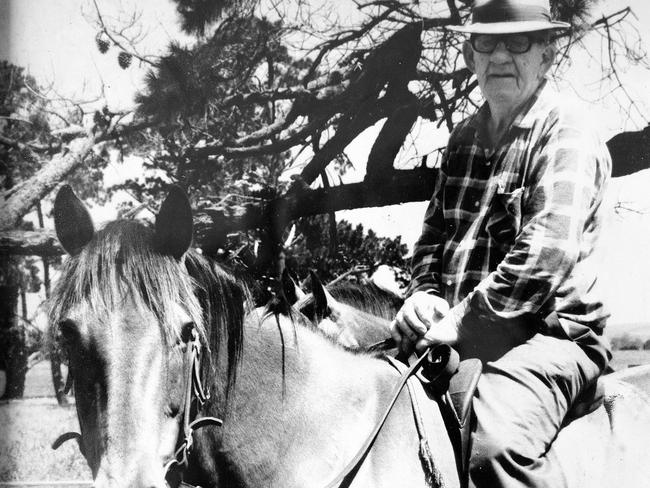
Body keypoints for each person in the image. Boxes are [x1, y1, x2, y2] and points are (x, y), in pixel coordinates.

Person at [390, 0, 612, 487]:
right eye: (487, 42)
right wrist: (422, 296)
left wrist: (459, 320)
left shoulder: (566, 129)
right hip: (456, 328)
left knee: (495, 447)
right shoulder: (463, 138)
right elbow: (432, 236)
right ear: (470, 56)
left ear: (548, 53)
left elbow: (545, 255)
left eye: (519, 41)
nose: (501, 56)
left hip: (550, 336)